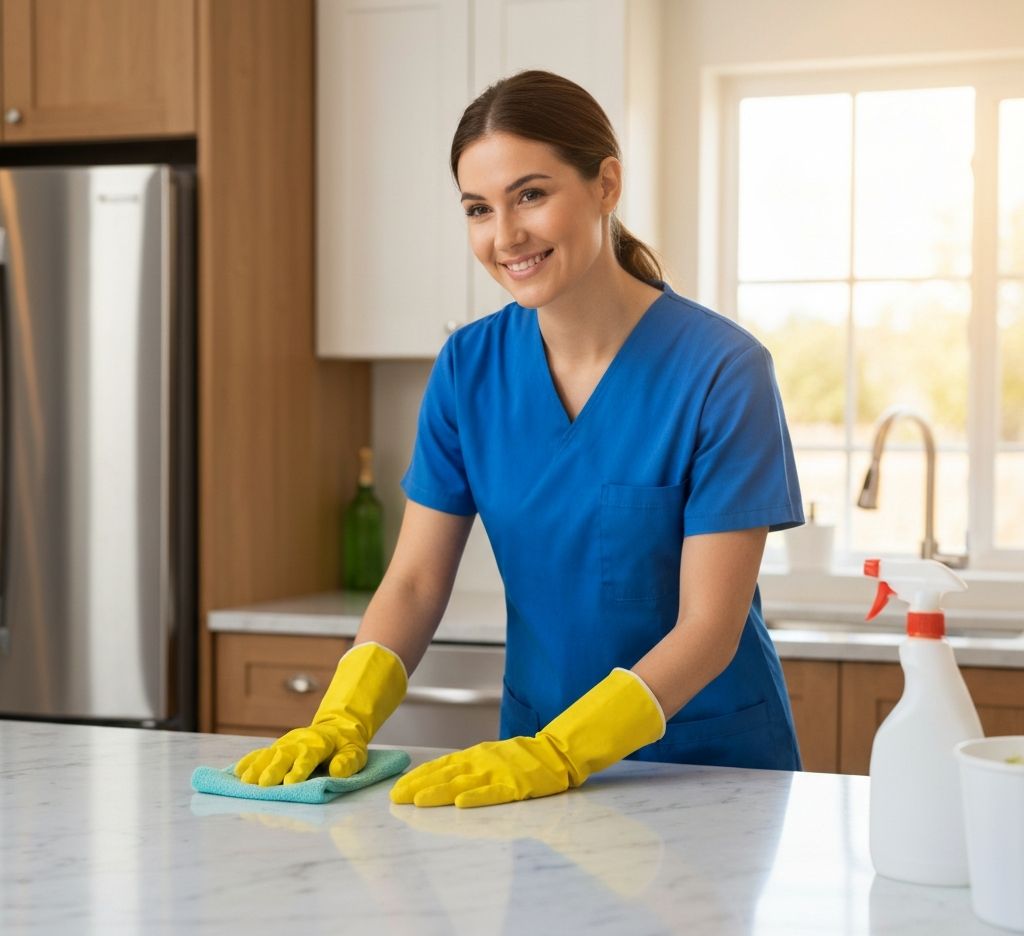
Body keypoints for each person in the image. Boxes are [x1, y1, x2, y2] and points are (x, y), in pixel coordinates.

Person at [234, 70, 805, 808]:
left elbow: (709, 627)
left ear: (606, 184)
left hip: (705, 770)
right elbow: (413, 582)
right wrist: (342, 715)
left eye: (531, 195)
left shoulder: (723, 372)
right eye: (479, 208)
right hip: (528, 768)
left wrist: (564, 752)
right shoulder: (468, 368)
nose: (505, 236)